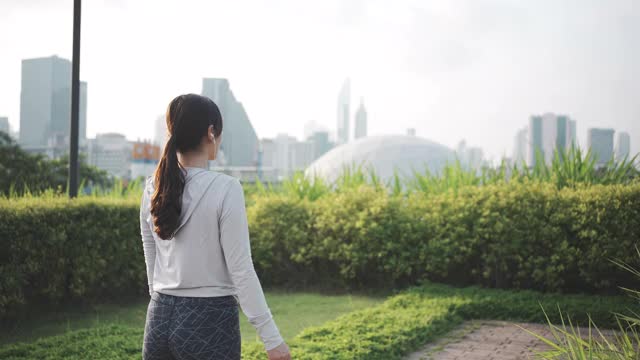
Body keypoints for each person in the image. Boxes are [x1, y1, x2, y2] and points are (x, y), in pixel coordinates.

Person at [139, 94, 291, 360]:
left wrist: (159, 297)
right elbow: (241, 270)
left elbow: (150, 249)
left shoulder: (153, 186)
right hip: (209, 321)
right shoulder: (226, 188)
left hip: (158, 318)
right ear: (211, 132)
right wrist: (272, 340)